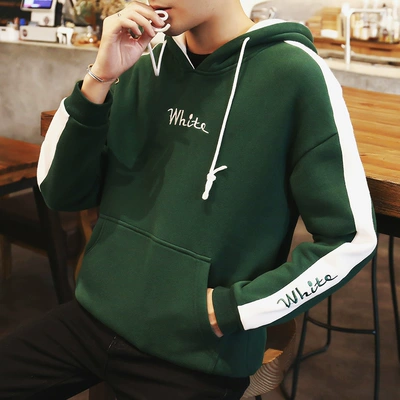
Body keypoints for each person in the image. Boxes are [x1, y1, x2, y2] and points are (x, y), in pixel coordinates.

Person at [0, 1, 377, 399]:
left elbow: (351, 239)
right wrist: (100, 78)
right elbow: (61, 192)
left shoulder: (295, 74)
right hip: (95, 314)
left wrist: (234, 309)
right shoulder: (144, 64)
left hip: (194, 353)